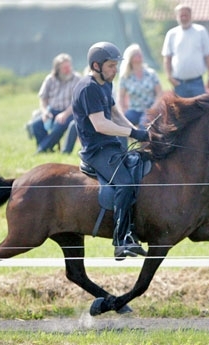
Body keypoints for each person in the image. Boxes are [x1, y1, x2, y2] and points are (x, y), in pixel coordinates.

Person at [72, 41, 149, 260]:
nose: (115, 70)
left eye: (116, 66)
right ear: (96, 66)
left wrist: (135, 129)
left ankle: (133, 232)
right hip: (96, 151)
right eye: (111, 66)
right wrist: (133, 134)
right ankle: (121, 240)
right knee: (124, 183)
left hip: (111, 145)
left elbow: (115, 112)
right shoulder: (88, 88)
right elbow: (100, 125)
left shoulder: (106, 83)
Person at [30, 53, 81, 154]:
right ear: (58, 69)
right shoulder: (50, 79)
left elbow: (77, 101)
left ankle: (41, 150)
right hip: (52, 110)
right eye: (65, 68)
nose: (68, 69)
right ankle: (47, 149)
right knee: (36, 124)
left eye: (69, 66)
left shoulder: (77, 79)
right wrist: (44, 112)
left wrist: (65, 114)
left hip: (70, 112)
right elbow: (43, 98)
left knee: (59, 125)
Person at [161, 4, 209, 98]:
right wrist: (169, 76)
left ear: (191, 16)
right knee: (181, 112)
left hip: (197, 82)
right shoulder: (172, 34)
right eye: (181, 15)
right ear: (177, 17)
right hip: (179, 83)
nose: (184, 18)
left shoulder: (200, 31)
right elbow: (167, 57)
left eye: (186, 15)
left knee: (199, 111)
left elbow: (208, 55)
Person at [116, 43, 163, 149]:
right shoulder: (125, 77)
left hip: (150, 109)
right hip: (134, 110)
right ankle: (122, 152)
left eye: (140, 53)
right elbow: (121, 97)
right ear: (131, 58)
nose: (140, 56)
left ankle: (143, 151)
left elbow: (160, 93)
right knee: (120, 125)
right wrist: (122, 112)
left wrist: (154, 107)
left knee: (144, 124)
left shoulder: (151, 73)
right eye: (136, 54)